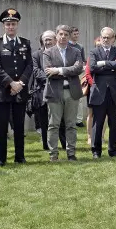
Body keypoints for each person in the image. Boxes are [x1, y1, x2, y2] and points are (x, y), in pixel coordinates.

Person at [0, 8, 33, 166]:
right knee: (2, 126)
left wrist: (20, 83)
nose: (11, 27)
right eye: (8, 24)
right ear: (4, 26)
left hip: (20, 91)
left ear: (17, 25)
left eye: (13, 23)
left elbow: (29, 65)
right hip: (3, 90)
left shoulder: (25, 43)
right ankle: (2, 158)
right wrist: (11, 83)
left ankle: (19, 156)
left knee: (19, 126)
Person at [43, 25, 85, 162]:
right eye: (61, 34)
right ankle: (53, 154)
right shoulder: (48, 52)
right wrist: (64, 71)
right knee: (53, 124)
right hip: (55, 92)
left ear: (69, 36)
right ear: (56, 36)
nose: (63, 37)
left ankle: (71, 153)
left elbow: (78, 68)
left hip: (71, 92)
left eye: (66, 34)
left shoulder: (76, 51)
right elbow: (48, 72)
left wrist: (59, 70)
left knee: (71, 124)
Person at [88, 27, 116, 159]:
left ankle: (113, 150)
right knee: (98, 123)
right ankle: (96, 151)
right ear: (100, 37)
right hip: (99, 92)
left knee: (114, 123)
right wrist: (113, 65)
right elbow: (92, 67)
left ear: (113, 39)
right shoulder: (94, 51)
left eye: (108, 37)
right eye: (103, 37)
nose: (105, 40)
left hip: (114, 92)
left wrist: (104, 63)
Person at [69, 26, 87, 128]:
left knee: (79, 97)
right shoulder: (67, 45)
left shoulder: (80, 46)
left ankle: (78, 120)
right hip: (69, 73)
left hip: (78, 73)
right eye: (74, 34)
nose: (76, 36)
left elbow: (83, 60)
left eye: (77, 34)